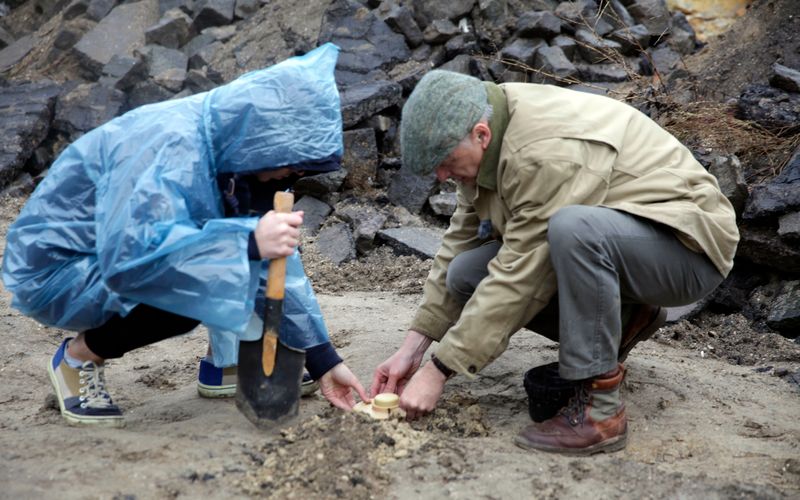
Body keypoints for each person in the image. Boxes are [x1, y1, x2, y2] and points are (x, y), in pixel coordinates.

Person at [371, 70, 739, 455]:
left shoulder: (543, 154)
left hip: (686, 248)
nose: (442, 176)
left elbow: (522, 276)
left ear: (481, 134)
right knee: (466, 274)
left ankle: (602, 411)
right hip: (623, 240)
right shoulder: (486, 133)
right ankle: (629, 319)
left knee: (572, 230)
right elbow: (457, 244)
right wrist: (412, 349)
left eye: (445, 162)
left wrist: (439, 370)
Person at [2, 43, 368, 428]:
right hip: (61, 268)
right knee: (198, 286)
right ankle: (78, 358)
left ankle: (224, 363)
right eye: (292, 166)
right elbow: (130, 257)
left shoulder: (244, 164)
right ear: (271, 136)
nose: (290, 178)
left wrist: (324, 361)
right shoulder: (171, 142)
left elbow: (277, 274)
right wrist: (245, 242)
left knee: (229, 263)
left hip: (109, 259)